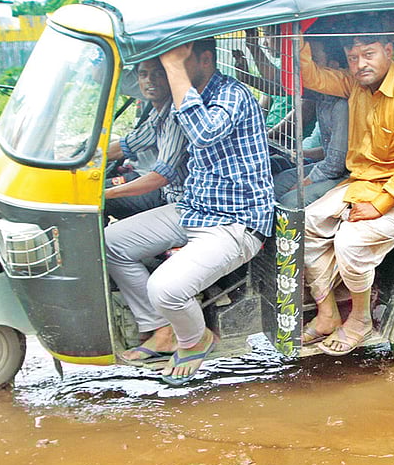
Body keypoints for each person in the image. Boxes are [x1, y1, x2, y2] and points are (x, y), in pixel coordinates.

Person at [104, 39, 274, 382]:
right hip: (194, 208)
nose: (166, 74)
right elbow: (141, 142)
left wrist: (177, 70)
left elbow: (204, 134)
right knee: (111, 243)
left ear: (206, 60)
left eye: (172, 64)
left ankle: (196, 339)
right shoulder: (186, 98)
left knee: (165, 289)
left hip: (236, 221)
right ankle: (162, 328)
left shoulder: (232, 95)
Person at [298, 16, 394, 356]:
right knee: (304, 223)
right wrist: (296, 32)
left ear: (389, 51)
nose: (360, 64)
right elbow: (312, 76)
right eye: (352, 57)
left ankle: (359, 320)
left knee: (350, 241)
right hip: (360, 184)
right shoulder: (353, 83)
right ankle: (328, 313)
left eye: (369, 54)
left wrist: (379, 205)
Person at [271, 17, 351, 206]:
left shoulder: (341, 105)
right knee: (278, 183)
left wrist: (305, 182)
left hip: (345, 175)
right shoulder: (322, 99)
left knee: (290, 200)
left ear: (333, 66)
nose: (309, 69)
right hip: (328, 167)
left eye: (315, 61)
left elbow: (335, 165)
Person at [102, 59, 189, 221]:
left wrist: (105, 195)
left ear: (170, 77)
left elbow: (161, 176)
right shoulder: (159, 112)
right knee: (101, 186)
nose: (150, 80)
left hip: (172, 199)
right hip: (159, 189)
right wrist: (88, 157)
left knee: (100, 200)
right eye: (144, 75)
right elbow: (126, 145)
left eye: (158, 74)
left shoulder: (176, 117)